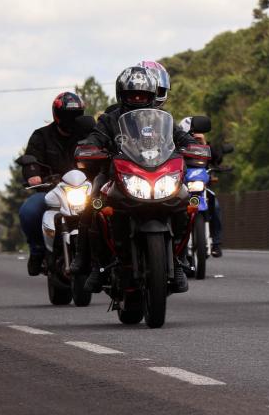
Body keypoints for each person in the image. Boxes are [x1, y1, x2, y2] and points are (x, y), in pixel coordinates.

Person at [74, 63, 197, 293]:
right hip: (117, 174)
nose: (138, 98)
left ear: (152, 95)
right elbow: (95, 138)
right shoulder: (110, 120)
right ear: (122, 95)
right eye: (133, 94)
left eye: (143, 94)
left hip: (157, 174)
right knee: (92, 201)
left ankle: (178, 260)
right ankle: (92, 265)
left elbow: (181, 138)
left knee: (185, 200)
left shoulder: (163, 119)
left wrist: (193, 146)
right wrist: (90, 147)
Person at [18, 92, 86, 276]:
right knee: (29, 211)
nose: (72, 120)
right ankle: (37, 251)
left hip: (86, 189)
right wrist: (33, 174)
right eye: (67, 115)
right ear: (57, 115)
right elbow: (31, 158)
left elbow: (104, 152)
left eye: (76, 115)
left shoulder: (89, 134)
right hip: (52, 190)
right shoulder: (41, 136)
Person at [178, 116, 224, 258]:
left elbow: (217, 158)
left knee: (214, 204)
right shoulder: (176, 147)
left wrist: (203, 143)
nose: (193, 138)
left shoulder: (205, 145)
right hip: (182, 186)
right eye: (190, 135)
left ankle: (216, 243)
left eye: (195, 135)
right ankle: (175, 242)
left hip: (200, 186)